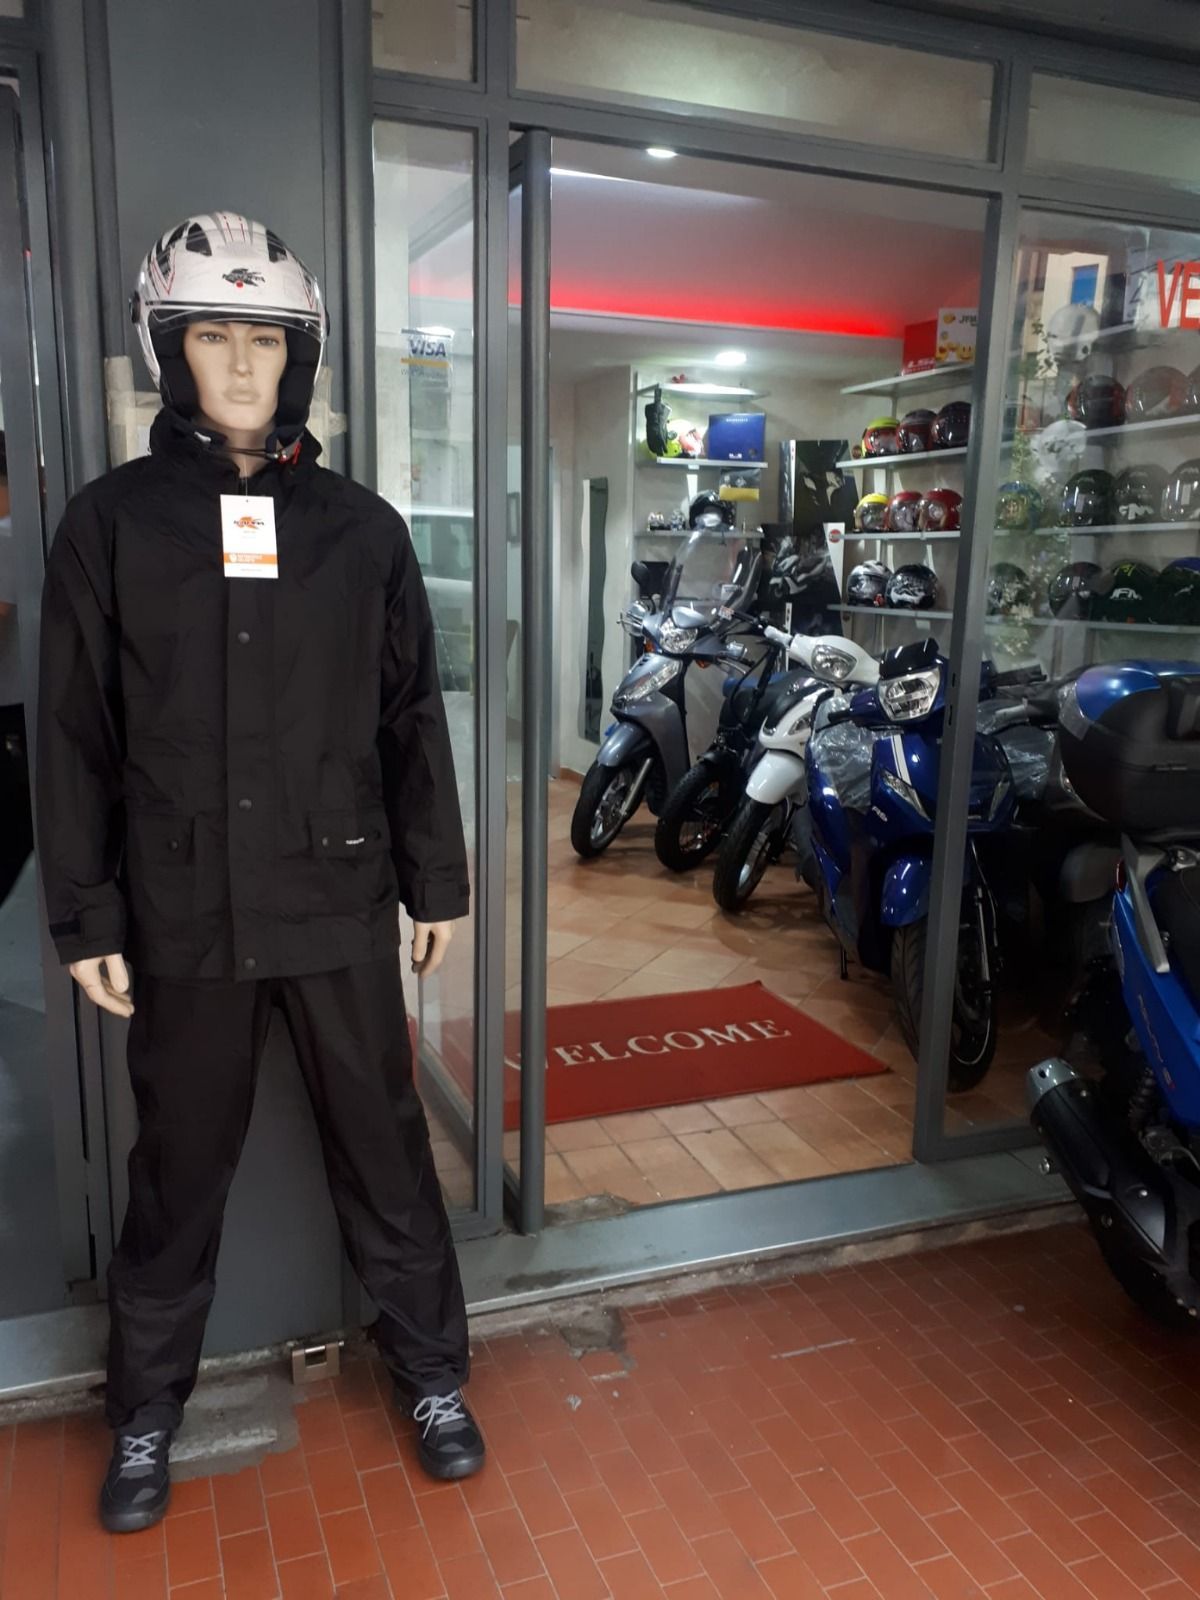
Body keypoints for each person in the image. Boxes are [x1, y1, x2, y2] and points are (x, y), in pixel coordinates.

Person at [36, 214, 483, 1535]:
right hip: (178, 914)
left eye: (266, 339)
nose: (243, 364)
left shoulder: (363, 531)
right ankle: (143, 1416)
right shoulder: (109, 527)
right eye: (214, 336)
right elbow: (71, 734)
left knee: (387, 1153)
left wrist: (438, 883)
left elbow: (411, 718)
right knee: (175, 1171)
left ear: (302, 356)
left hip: (338, 899)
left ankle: (436, 1379)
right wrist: (85, 910)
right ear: (168, 351)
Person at [0, 431, 34, 902]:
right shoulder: (21, 531)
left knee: (16, 822)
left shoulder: (6, 536)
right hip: (17, 704)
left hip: (10, 707)